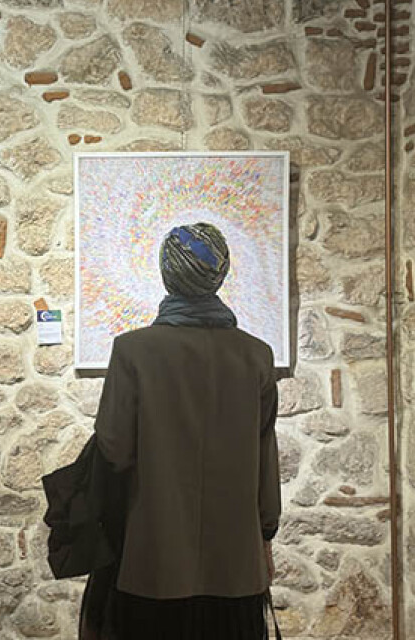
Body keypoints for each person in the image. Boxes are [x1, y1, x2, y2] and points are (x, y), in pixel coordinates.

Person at [92, 222, 282, 639]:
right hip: (235, 562)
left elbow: (114, 449)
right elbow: (265, 456)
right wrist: (266, 534)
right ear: (220, 275)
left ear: (167, 275)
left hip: (154, 557)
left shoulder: (132, 351)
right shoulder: (257, 356)